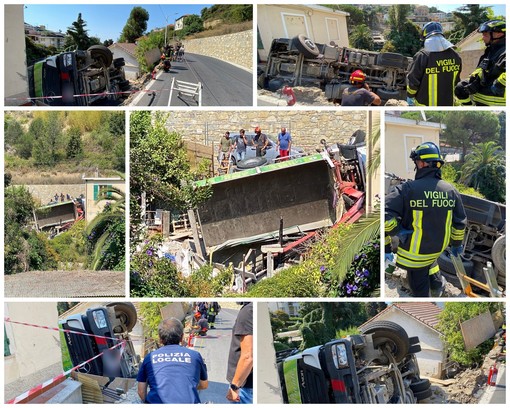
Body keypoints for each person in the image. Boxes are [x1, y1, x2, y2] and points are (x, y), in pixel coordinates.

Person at [385, 142, 467, 297]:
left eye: (416, 162)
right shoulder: (451, 191)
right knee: (431, 264)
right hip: (436, 250)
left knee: (419, 293)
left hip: (414, 256)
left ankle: (426, 296)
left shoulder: (407, 189)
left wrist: (397, 231)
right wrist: (456, 244)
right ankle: (437, 287)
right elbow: (460, 223)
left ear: (422, 163)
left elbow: (384, 214)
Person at [137, 318, 208, 404]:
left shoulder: (149, 358)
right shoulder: (195, 356)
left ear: (160, 339)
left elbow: (141, 391)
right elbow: (204, 385)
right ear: (181, 337)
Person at [406, 21, 462, 106]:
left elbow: (413, 82)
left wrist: (410, 96)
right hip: (448, 104)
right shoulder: (456, 56)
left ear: (425, 37)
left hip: (424, 105)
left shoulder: (422, 56)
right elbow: (456, 81)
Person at [455, 20, 506, 106]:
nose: (482, 38)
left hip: (496, 97)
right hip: (484, 89)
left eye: (485, 35)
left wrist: (498, 84)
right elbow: (482, 68)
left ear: (498, 34)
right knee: (460, 88)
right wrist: (474, 80)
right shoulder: (491, 50)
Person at [226, 302, 253, 404]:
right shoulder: (252, 309)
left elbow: (248, 357)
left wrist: (234, 386)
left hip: (244, 387)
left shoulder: (248, 311)